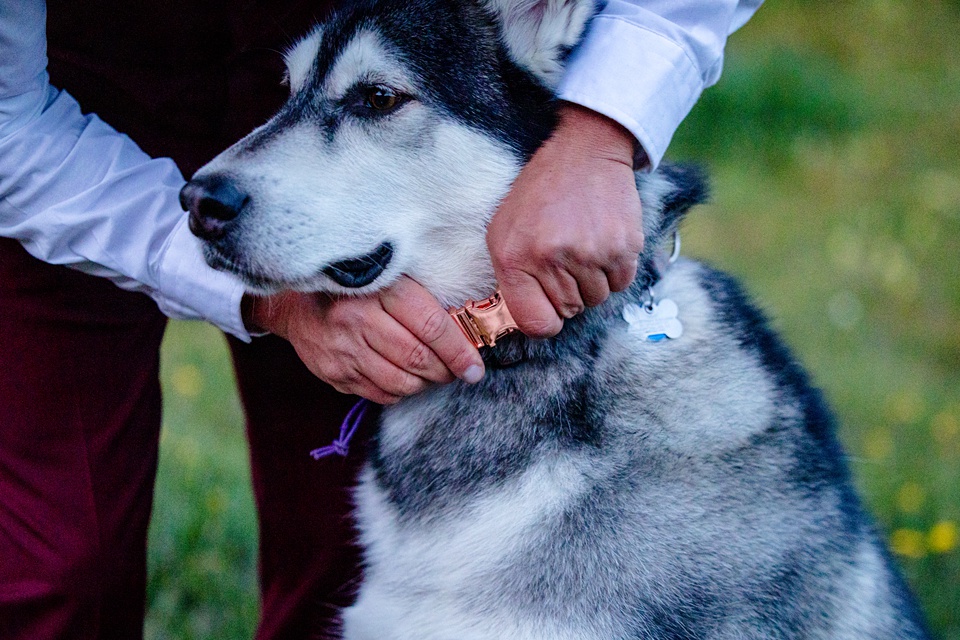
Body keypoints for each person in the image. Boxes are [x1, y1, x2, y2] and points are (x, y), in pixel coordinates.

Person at [0, 0, 763, 638]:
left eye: (374, 102)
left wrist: (602, 132)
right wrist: (269, 301)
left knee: (330, 557)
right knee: (54, 562)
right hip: (60, 85)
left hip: (363, 32)